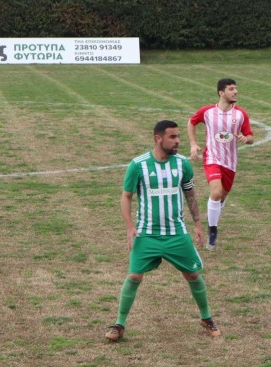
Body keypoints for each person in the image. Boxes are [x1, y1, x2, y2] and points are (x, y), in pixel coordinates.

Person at [105, 120, 220, 342]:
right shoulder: (138, 165)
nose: (178, 141)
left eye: (178, 136)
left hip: (176, 233)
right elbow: (126, 196)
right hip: (147, 233)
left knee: (193, 274)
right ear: (159, 139)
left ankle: (206, 318)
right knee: (134, 276)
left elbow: (190, 193)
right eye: (173, 137)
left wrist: (197, 223)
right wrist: (130, 227)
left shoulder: (181, 164)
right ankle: (119, 324)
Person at [187, 78, 254, 250]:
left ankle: (214, 215)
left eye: (236, 89)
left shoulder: (240, 114)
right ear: (221, 93)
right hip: (212, 158)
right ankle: (213, 230)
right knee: (215, 193)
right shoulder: (207, 112)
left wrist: (246, 139)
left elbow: (251, 137)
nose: (235, 92)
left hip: (230, 163)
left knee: (222, 196)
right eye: (231, 89)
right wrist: (193, 144)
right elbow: (192, 122)